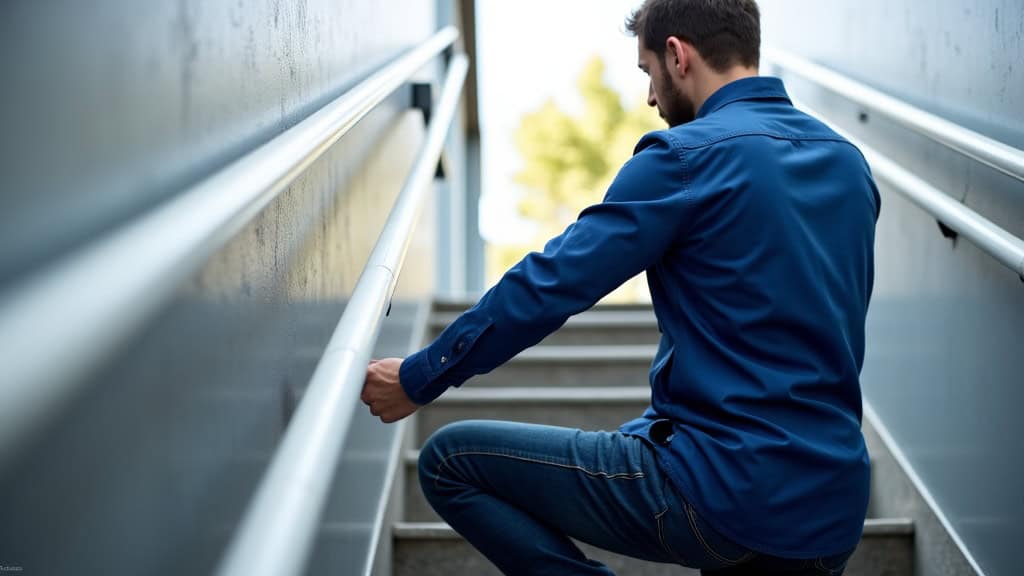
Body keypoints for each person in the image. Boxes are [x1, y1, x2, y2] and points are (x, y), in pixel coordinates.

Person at [361, 0, 880, 573]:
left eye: (647, 72)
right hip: (830, 511)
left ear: (677, 56)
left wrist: (420, 375)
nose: (652, 97)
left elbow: (552, 282)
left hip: (719, 490)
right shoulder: (849, 165)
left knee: (449, 461)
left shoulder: (684, 157)